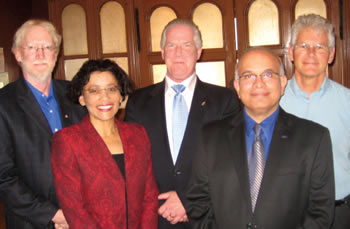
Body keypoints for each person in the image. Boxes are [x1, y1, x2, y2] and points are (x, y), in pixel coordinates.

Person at [186, 48, 335, 229]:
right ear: (237, 87)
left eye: (267, 74)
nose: (258, 83)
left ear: (282, 83)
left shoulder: (314, 139)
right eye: (248, 76)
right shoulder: (210, 137)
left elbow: (320, 212)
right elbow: (197, 203)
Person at [125, 19, 240, 229]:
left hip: (205, 216)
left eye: (186, 45)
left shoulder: (225, 101)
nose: (178, 52)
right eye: (171, 45)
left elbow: (231, 162)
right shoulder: (138, 101)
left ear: (199, 52)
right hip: (153, 217)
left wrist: (188, 201)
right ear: (162, 52)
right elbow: (131, 164)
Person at [51, 59, 159, 229]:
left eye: (111, 89)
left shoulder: (138, 134)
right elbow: (74, 208)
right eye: (94, 90)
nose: (105, 97)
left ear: (121, 95)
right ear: (82, 98)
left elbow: (149, 196)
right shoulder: (67, 140)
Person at [0, 19, 86, 229]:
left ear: (56, 55)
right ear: (18, 54)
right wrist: (54, 215)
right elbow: (4, 177)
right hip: (32, 222)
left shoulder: (76, 96)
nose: (40, 54)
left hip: (82, 216)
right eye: (32, 47)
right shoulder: (3, 104)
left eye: (47, 47)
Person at [280, 14, 350, 228]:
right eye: (303, 45)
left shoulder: (347, 101)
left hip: (339, 214)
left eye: (320, 47)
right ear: (291, 52)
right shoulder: (272, 101)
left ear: (331, 54)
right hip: (284, 214)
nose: (311, 53)